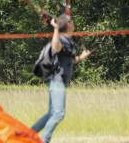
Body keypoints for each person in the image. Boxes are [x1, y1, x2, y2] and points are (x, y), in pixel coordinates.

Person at [31, 14, 91, 142]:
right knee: (59, 113)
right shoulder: (61, 39)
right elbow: (55, 47)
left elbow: (69, 61)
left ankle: (28, 134)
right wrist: (56, 29)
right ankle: (44, 140)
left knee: (51, 113)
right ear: (69, 25)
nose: (74, 23)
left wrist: (81, 57)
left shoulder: (68, 40)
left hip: (58, 80)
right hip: (56, 79)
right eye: (72, 21)